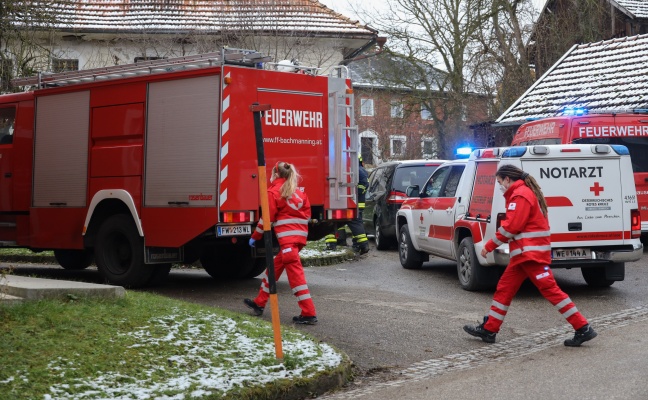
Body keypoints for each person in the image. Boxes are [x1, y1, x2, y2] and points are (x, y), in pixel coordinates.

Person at [463, 164, 597, 347]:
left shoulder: (520, 195)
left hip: (530, 255)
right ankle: (489, 330)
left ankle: (582, 327)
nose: (499, 185)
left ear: (508, 179)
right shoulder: (523, 193)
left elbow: (512, 226)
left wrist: (489, 245)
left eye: (500, 181)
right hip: (525, 255)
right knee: (504, 288)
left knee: (550, 290)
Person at [244, 161, 318, 325]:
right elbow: (305, 216)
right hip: (296, 241)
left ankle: (308, 313)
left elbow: (267, 218)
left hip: (287, 242)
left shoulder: (273, 192)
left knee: (296, 278)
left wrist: (255, 236)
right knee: (272, 270)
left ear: (276, 174)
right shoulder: (299, 192)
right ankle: (259, 303)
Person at [324, 155, 369, 254]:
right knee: (351, 223)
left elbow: (363, 185)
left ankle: (360, 244)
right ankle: (349, 242)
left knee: (350, 222)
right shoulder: (356, 170)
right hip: (352, 202)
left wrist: (354, 193)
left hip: (354, 202)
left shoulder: (358, 170)